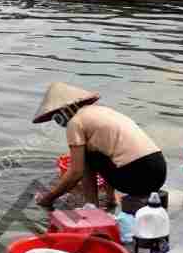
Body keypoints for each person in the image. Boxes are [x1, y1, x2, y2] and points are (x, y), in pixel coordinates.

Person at [31, 83, 166, 210]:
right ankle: (110, 198)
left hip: (137, 177)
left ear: (64, 111)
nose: (57, 121)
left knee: (85, 157)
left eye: (56, 116)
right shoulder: (102, 111)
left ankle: (92, 206)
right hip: (159, 171)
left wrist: (49, 198)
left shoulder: (75, 122)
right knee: (105, 151)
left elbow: (76, 172)